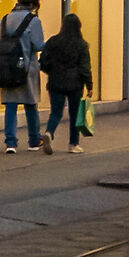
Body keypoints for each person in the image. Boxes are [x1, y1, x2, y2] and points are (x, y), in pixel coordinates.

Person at [0, 0, 45, 154]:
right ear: (32, 5)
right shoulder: (33, 21)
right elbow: (38, 45)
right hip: (26, 69)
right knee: (30, 105)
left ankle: (11, 143)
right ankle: (34, 140)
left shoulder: (4, 19)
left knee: (10, 106)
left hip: (6, 68)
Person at [38, 13, 94, 155]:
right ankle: (73, 144)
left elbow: (43, 61)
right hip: (75, 84)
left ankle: (49, 133)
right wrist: (89, 85)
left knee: (56, 112)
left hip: (56, 81)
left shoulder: (53, 41)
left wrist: (51, 71)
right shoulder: (81, 45)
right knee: (74, 114)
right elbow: (84, 67)